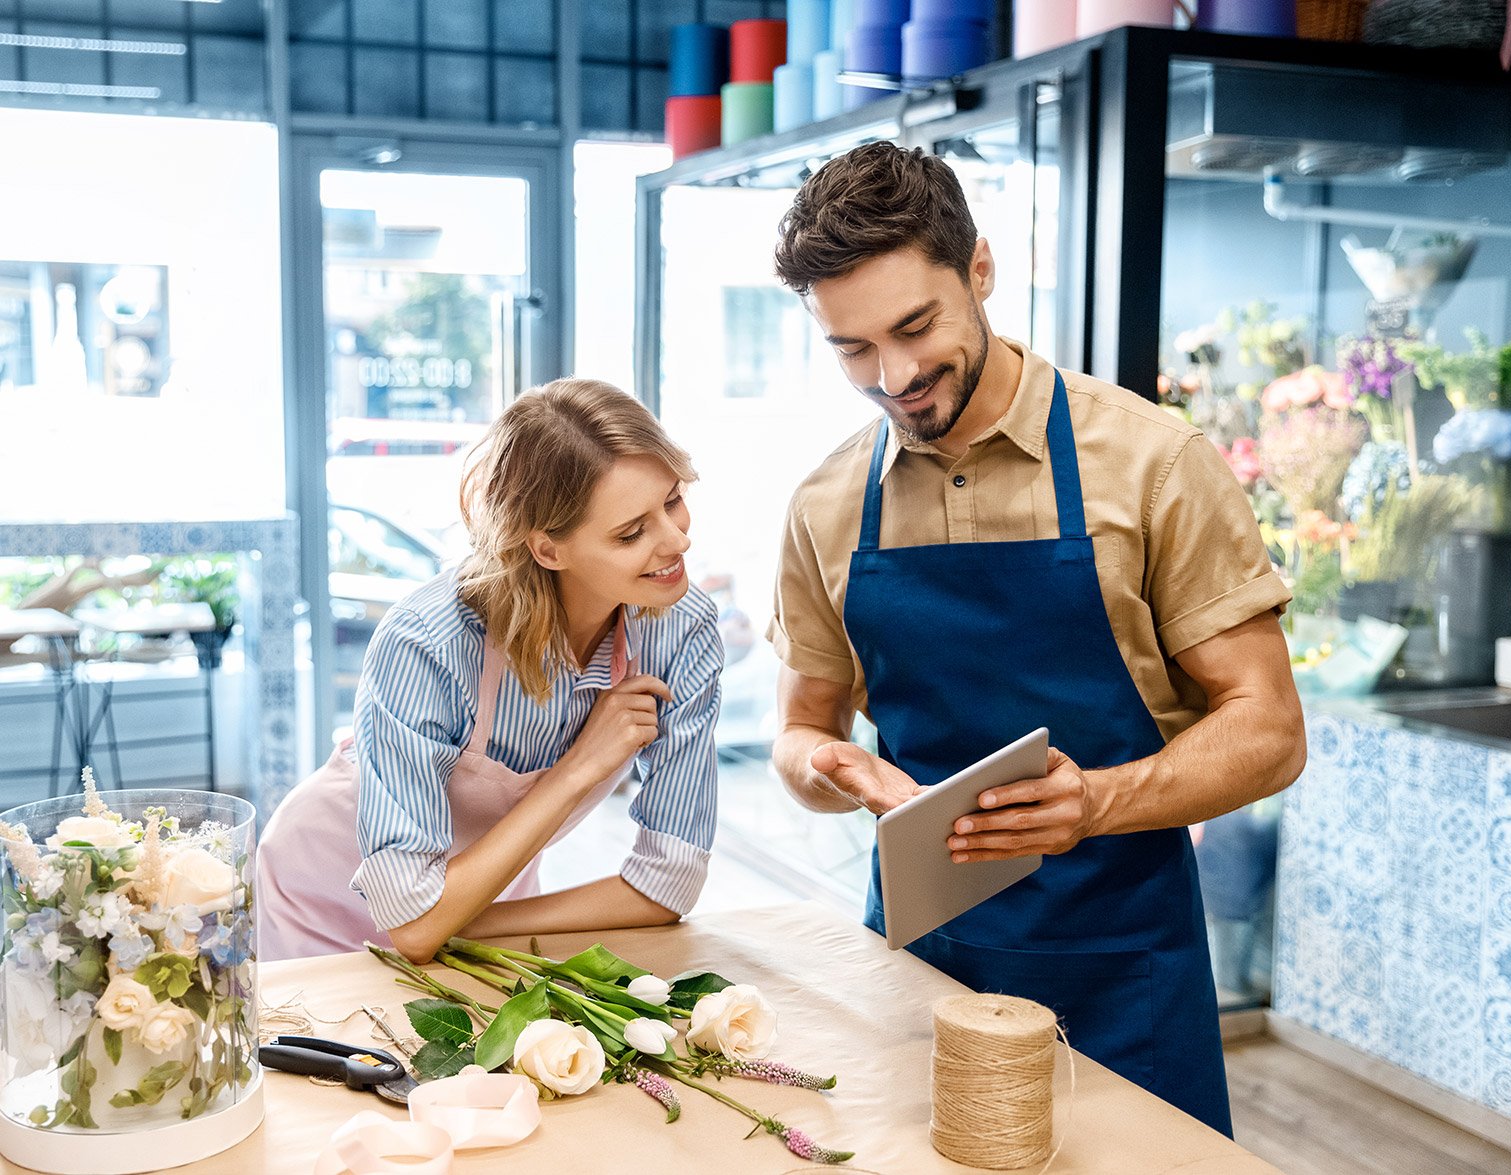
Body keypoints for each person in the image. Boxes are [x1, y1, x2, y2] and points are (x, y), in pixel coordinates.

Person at [766, 141, 1306, 1135]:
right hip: (916, 973)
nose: (893, 376)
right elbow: (799, 732)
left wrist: (1096, 800)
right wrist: (839, 767)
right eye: (851, 348)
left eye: (915, 326)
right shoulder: (827, 502)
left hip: (1125, 976)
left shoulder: (1155, 464)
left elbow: (1270, 728)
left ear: (980, 269)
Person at [256, 379, 723, 964]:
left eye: (673, 500)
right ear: (548, 549)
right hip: (318, 893)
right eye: (631, 532)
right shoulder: (428, 643)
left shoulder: (682, 630)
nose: (678, 539)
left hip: (478, 900)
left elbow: (669, 882)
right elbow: (414, 922)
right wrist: (577, 769)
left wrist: (458, 919)